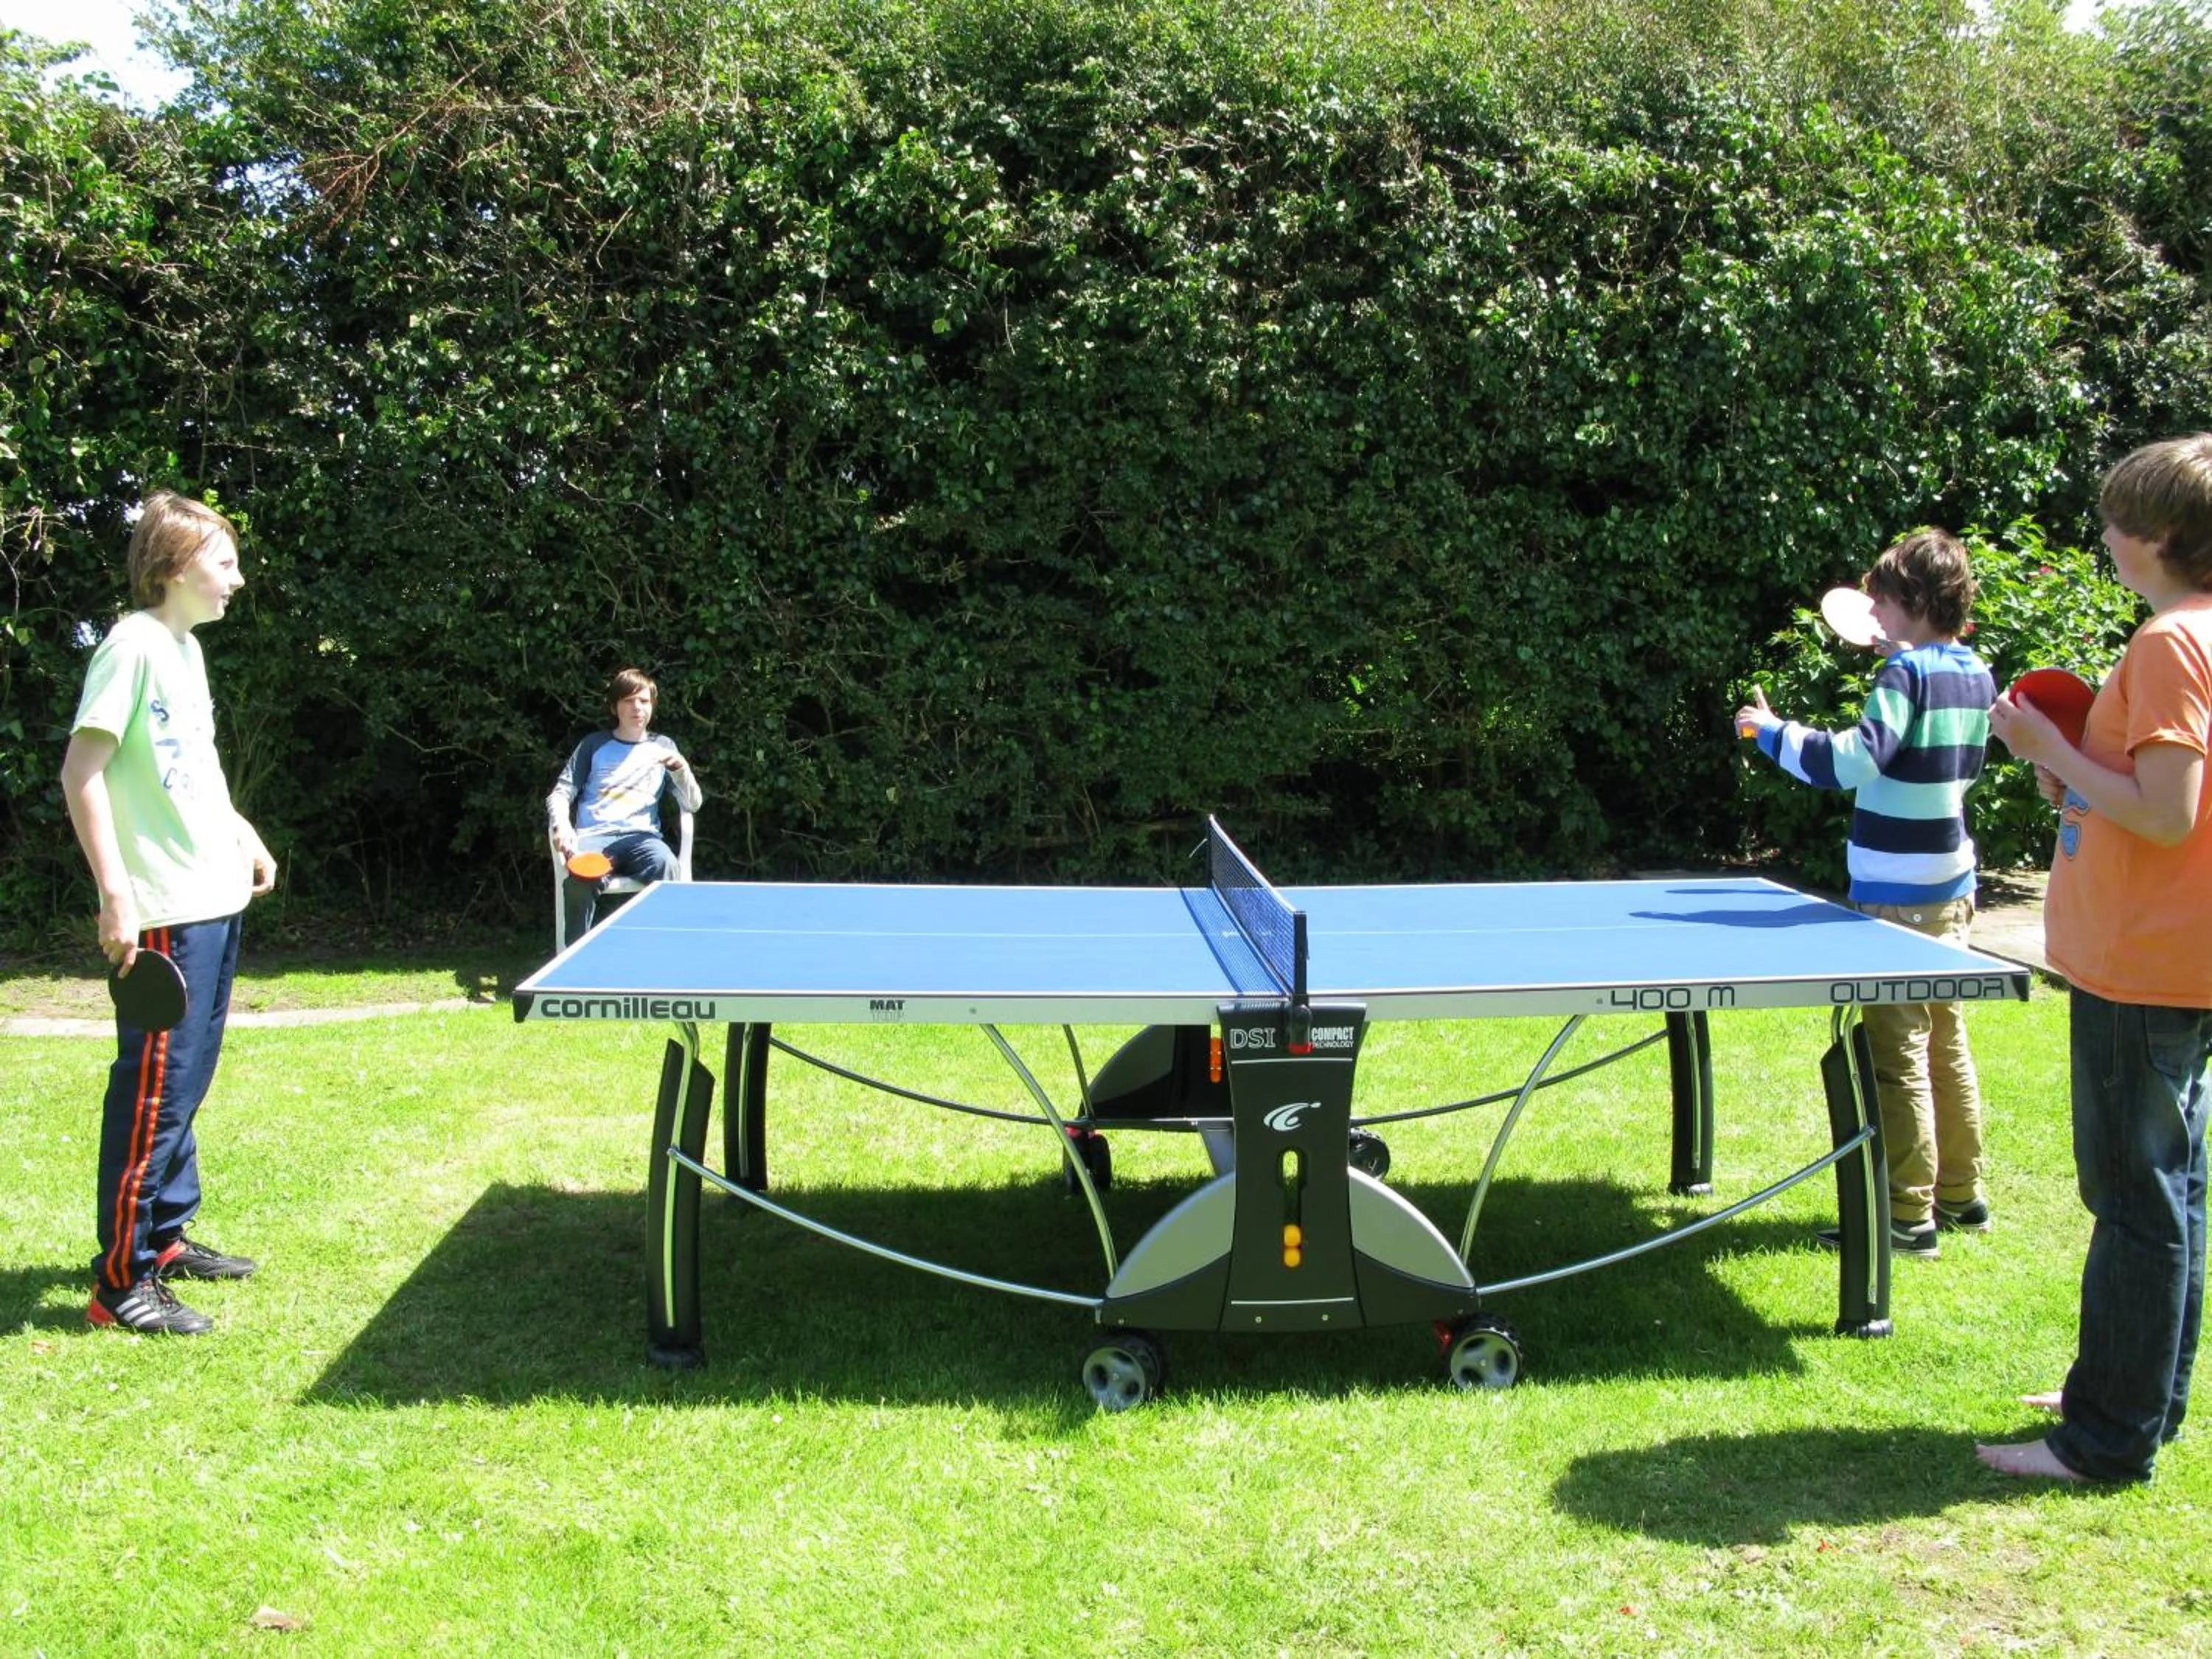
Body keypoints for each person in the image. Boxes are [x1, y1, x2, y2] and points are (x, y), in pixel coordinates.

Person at [1978, 434, 2212, 1484]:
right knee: (2171, 1189)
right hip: (2179, 957)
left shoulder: (2170, 642)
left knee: (2134, 1199)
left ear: (2159, 538)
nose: (2108, 535)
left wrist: (2047, 752)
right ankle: (2131, 1396)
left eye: (2118, 519)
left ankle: (2105, 1438)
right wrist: (2070, 772)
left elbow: (2168, 815)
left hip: (2142, 964)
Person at [1736, 529, 1997, 1259]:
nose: (1872, 614)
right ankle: (1960, 1195)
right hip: (1951, 884)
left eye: (1880, 600)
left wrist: (1770, 733)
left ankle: (1906, 1216)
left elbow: (1854, 761)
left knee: (1897, 1053)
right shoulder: (1975, 671)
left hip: (1894, 899)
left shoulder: (1904, 677)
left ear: (1906, 602)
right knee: (1945, 1040)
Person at [60, 492, 279, 1335]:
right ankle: (120, 1283)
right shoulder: (130, 649)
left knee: (185, 1086)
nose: (237, 579)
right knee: (153, 1094)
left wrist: (243, 832)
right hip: (163, 911)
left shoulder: (184, 651)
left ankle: (166, 1236)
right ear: (177, 567)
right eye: (225, 563)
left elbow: (196, 770)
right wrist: (116, 894)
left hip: (213, 896)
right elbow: (83, 773)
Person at [547, 667, 703, 942]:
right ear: (614, 706)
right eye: (629, 700)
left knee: (666, 864)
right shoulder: (593, 745)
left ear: (652, 706)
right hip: (593, 841)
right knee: (579, 885)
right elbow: (561, 792)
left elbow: (693, 802)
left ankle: (662, 954)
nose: (637, 708)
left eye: (644, 701)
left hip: (642, 840)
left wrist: (681, 768)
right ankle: (573, 967)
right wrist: (562, 825)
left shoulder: (665, 746)